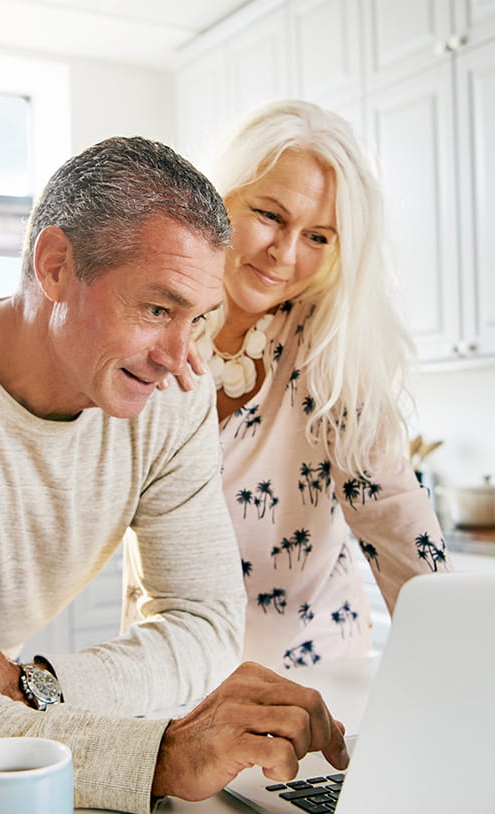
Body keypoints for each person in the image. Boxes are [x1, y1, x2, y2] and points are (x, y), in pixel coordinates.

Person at [0, 136, 347, 814]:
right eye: (157, 309)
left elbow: (205, 623)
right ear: (55, 266)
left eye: (197, 319)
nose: (181, 360)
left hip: (1, 667)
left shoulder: (174, 399)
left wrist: (30, 685)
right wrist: (162, 757)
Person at [161, 100, 449, 670]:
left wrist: (457, 645)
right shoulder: (155, 330)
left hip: (315, 679)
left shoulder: (329, 345)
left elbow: (390, 505)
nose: (285, 254)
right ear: (219, 198)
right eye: (270, 215)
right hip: (172, 674)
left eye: (318, 236)